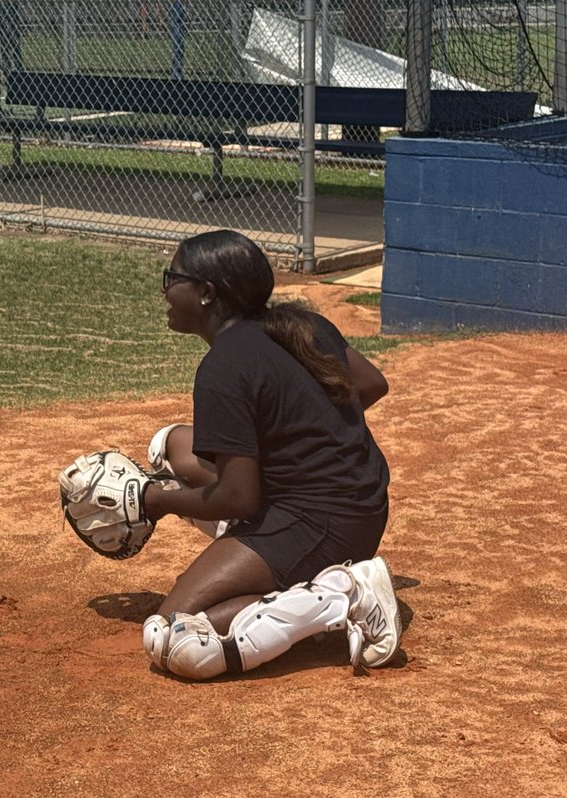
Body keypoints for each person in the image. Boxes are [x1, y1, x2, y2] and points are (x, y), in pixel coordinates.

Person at [138, 229, 401, 680]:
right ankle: (291, 568)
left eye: (172, 278)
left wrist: (155, 500)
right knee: (173, 446)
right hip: (364, 504)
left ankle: (342, 596)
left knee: (175, 632)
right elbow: (372, 384)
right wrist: (308, 435)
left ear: (206, 293)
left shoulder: (224, 366)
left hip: (322, 524)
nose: (165, 290)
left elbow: (239, 498)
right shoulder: (304, 325)